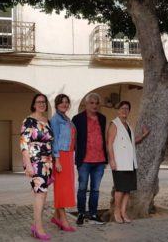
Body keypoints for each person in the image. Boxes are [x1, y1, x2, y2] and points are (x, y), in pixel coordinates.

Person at [107, 101, 149, 223]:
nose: (124, 110)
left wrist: (143, 135)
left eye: (127, 108)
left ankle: (123, 213)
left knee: (127, 190)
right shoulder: (114, 124)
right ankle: (116, 212)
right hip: (119, 163)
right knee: (120, 189)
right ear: (118, 110)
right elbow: (109, 143)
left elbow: (131, 142)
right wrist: (112, 160)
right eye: (122, 108)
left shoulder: (128, 125)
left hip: (130, 163)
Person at [20, 94, 54, 240]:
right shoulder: (28, 121)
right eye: (39, 102)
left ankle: (36, 225)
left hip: (47, 161)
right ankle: (38, 228)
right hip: (34, 160)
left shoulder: (47, 121)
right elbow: (23, 143)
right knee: (39, 194)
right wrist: (28, 164)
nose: (42, 104)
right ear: (34, 104)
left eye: (44, 102)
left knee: (43, 193)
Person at [72, 93, 107, 225]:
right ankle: (81, 213)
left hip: (99, 160)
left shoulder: (102, 118)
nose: (94, 105)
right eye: (91, 103)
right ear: (86, 104)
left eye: (97, 103)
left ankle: (93, 214)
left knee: (95, 189)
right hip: (84, 161)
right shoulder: (77, 119)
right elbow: (73, 138)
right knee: (82, 188)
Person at [50, 94, 76, 232]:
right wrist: (57, 160)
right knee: (62, 189)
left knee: (66, 187)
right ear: (56, 104)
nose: (64, 104)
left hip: (68, 155)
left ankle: (56, 216)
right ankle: (63, 219)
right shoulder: (55, 120)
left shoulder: (66, 118)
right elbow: (54, 140)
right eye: (62, 102)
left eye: (67, 102)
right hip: (61, 156)